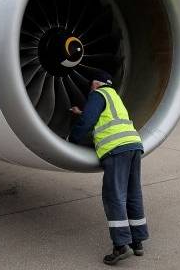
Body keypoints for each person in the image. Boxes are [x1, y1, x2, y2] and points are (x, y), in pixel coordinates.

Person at [68, 70, 148, 266]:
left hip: (116, 149)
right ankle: (137, 241)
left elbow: (88, 121)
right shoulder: (114, 97)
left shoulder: (98, 94)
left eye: (90, 87)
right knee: (133, 194)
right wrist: (83, 111)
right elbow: (105, 118)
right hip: (134, 145)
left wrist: (72, 139)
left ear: (95, 84)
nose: (90, 90)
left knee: (114, 197)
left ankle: (121, 245)